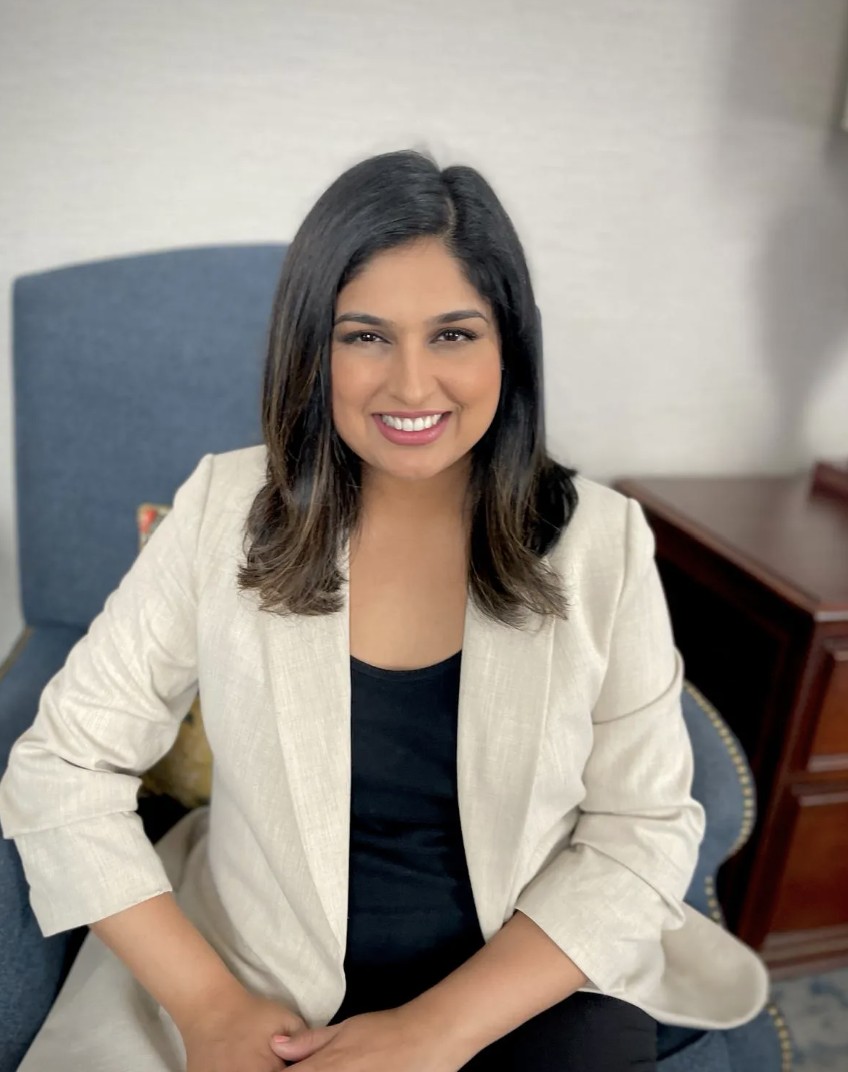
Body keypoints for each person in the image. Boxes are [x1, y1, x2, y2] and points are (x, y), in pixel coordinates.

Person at [0, 150, 767, 1072]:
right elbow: (64, 766)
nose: (411, 386)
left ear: (508, 344)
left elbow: (643, 825)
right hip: (260, 973)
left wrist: (434, 1032)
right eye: (365, 336)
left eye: (453, 334)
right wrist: (209, 1009)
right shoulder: (222, 507)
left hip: (528, 973)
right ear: (310, 347)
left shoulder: (603, 540)